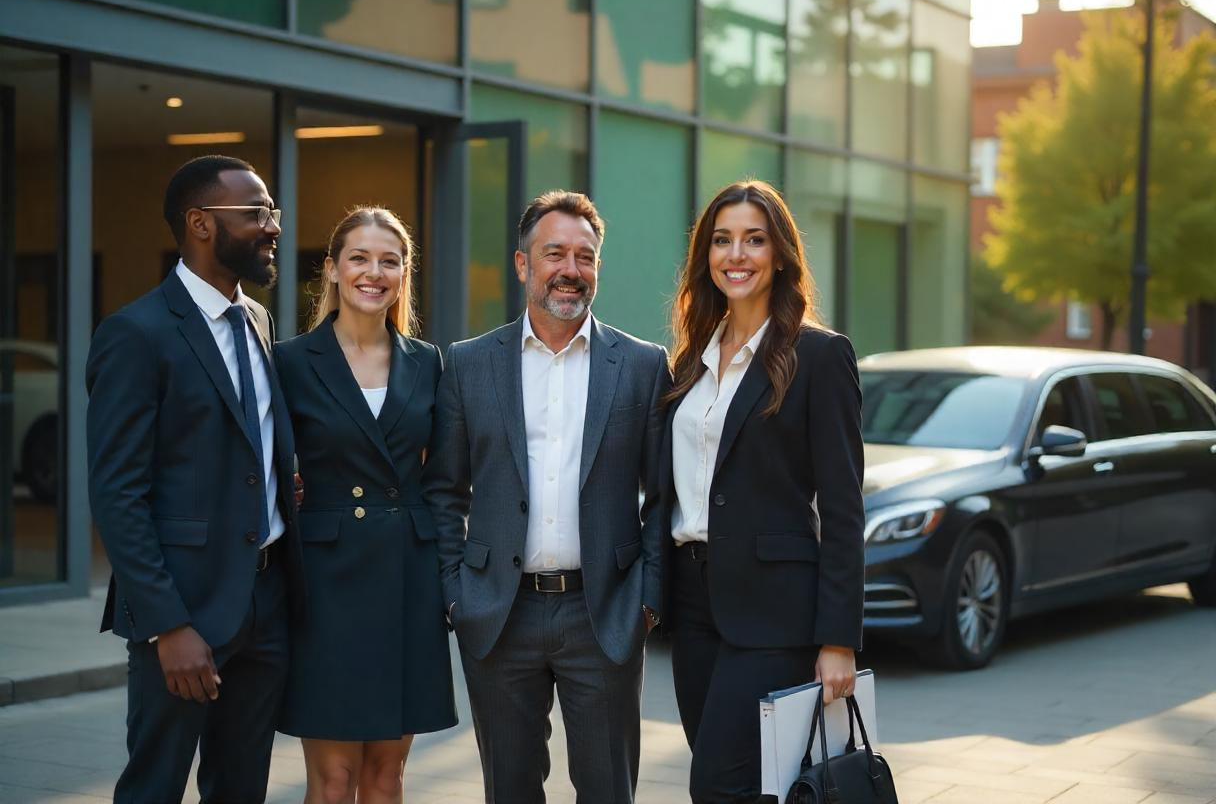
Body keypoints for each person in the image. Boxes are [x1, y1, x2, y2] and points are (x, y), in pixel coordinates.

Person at [423, 190, 669, 803]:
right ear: (522, 264)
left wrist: (647, 599)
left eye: (584, 257)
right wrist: (457, 595)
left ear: (598, 268)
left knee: (609, 789)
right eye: (554, 252)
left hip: (604, 613)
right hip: (499, 613)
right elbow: (444, 491)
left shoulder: (641, 365)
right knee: (509, 789)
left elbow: (664, 497)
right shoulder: (469, 364)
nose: (570, 269)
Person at [86, 154, 305, 803]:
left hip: (264, 606)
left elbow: (245, 446)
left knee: (241, 791)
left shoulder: (258, 322)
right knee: (154, 788)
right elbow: (118, 492)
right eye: (257, 213)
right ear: (201, 223)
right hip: (183, 614)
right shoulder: (136, 333)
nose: (272, 228)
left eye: (274, 213)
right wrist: (167, 625)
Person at [661, 179, 865, 803]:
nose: (737, 255)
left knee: (716, 785)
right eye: (722, 241)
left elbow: (843, 508)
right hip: (694, 604)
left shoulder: (818, 355)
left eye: (755, 239)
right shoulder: (692, 356)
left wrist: (839, 640)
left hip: (776, 613)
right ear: (706, 256)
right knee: (748, 784)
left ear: (779, 253)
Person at [275, 206, 457, 802]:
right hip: (326, 584)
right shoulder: (292, 361)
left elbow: (445, 479)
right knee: (332, 780)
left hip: (408, 576)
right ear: (330, 269)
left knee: (387, 775)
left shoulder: (429, 362)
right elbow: (263, 466)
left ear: (404, 274)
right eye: (358, 257)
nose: (373, 272)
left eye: (389, 260)